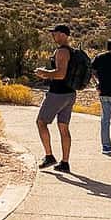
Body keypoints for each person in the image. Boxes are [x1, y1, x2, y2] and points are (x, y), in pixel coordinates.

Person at [34, 23, 76, 172]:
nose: (53, 35)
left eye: (56, 33)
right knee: (64, 127)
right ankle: (65, 163)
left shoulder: (62, 51)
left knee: (41, 122)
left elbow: (60, 74)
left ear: (64, 35)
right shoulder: (72, 51)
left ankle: (49, 156)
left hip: (58, 93)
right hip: (70, 93)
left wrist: (44, 73)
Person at [91, 36, 111, 155]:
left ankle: (106, 146)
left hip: (103, 92)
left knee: (105, 120)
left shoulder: (99, 57)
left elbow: (92, 71)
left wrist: (97, 84)